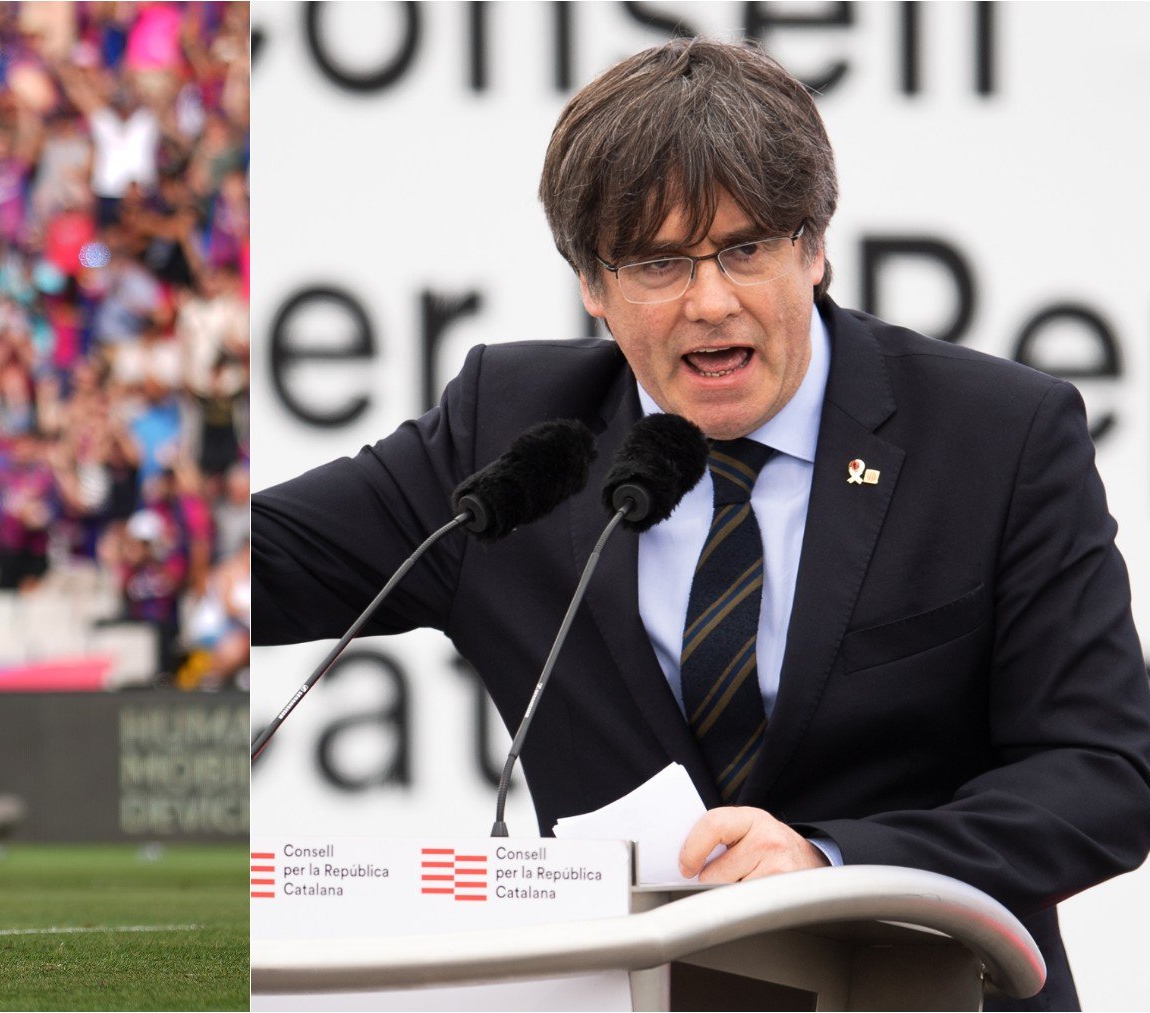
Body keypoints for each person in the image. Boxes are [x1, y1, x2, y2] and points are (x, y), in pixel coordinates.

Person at [250, 39, 1150, 1011]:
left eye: (747, 248)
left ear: (815, 248)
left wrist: (834, 859)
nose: (710, 300)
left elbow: (1104, 771)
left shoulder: (995, 435)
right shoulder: (511, 432)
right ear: (592, 283)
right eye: (658, 261)